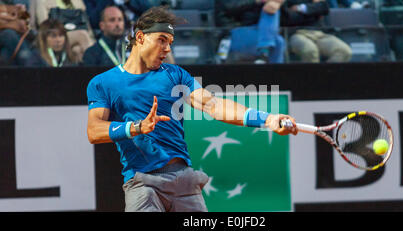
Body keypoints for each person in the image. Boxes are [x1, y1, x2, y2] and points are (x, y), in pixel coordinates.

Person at [86, 6, 299, 212]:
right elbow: (94, 131)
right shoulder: (103, 83)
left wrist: (267, 119)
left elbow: (213, 105)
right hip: (142, 183)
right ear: (140, 38)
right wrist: (136, 127)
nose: (167, 49)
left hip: (184, 182)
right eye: (162, 40)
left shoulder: (175, 74)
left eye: (170, 42)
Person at [215, 0, 286, 64]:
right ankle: (264, 50)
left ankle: (273, 73)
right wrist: (257, 1)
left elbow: (290, 20)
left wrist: (279, 3)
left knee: (279, 41)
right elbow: (230, 7)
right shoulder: (252, 4)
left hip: (257, 31)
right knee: (277, 41)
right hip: (231, 34)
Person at [282, 0, 352, 63]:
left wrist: (300, 8)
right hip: (296, 33)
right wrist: (314, 12)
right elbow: (287, 18)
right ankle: (312, 77)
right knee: (310, 50)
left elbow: (324, 7)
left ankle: (325, 75)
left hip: (319, 33)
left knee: (344, 51)